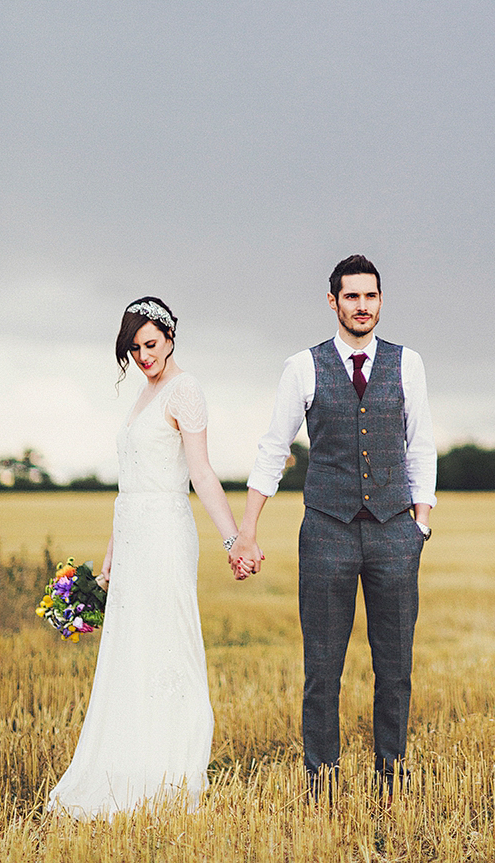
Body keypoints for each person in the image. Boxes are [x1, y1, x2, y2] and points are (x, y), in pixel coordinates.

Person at [230, 255, 437, 795]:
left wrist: (421, 524)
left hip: (395, 531)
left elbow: (422, 445)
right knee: (323, 667)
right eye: (352, 296)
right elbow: (273, 449)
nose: (362, 306)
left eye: (370, 296)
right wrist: (247, 530)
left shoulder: (407, 363)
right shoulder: (302, 366)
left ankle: (392, 775)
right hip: (326, 529)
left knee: (395, 666)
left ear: (380, 300)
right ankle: (322, 780)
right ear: (333, 302)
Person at [48, 297, 244, 818]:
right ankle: (126, 764)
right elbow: (127, 484)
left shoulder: (186, 390)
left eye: (150, 344)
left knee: (168, 645)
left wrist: (233, 541)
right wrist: (110, 556)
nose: (143, 356)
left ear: (171, 336)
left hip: (164, 533)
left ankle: (171, 770)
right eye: (134, 349)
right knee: (130, 650)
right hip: (132, 535)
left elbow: (201, 473)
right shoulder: (142, 394)